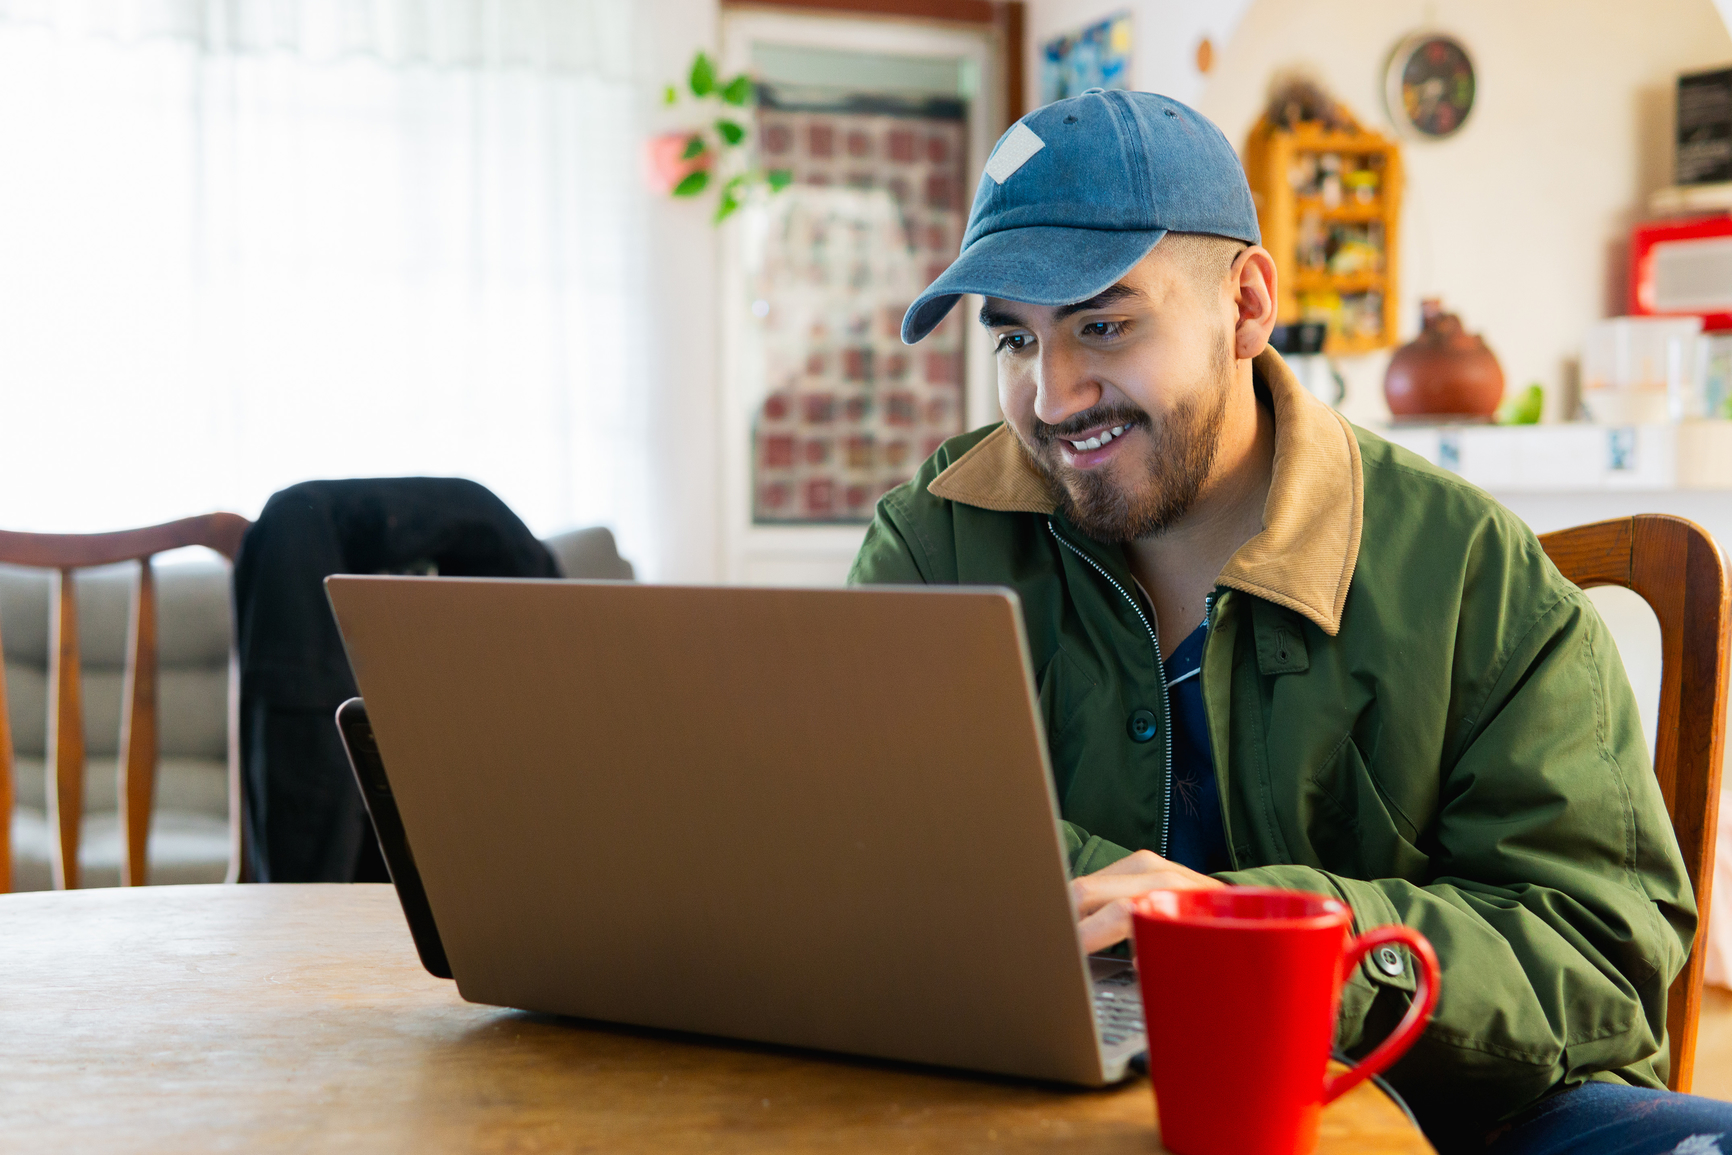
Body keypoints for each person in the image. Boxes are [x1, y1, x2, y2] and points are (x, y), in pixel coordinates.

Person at [848, 88, 1732, 1155]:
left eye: (1103, 325)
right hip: (1024, 1098)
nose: (1052, 394)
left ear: (1248, 305)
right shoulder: (932, 541)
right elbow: (874, 836)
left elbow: (1598, 960)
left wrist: (1254, 941)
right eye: (1014, 341)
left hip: (1446, 1111)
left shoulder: (1470, 572)